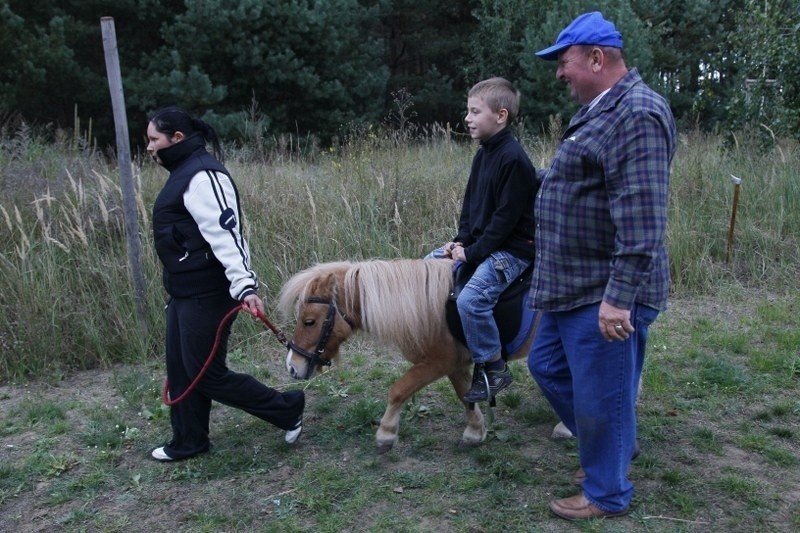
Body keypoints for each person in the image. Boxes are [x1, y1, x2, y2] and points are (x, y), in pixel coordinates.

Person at [527, 12, 677, 520]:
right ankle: (614, 445)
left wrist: (618, 299)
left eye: (564, 61)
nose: (559, 73)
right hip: (574, 285)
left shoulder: (636, 112)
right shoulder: (602, 111)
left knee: (601, 393)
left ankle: (607, 492)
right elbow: (584, 182)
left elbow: (642, 218)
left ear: (596, 58)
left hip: (605, 291)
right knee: (546, 365)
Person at [146, 106, 305, 462]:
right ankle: (189, 441)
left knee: (207, 375)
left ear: (177, 138)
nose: (150, 147)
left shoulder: (204, 176)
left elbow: (227, 235)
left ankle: (287, 409)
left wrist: (245, 286)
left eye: (154, 139)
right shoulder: (183, 173)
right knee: (182, 369)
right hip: (184, 294)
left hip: (209, 294)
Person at [426, 77, 538, 403]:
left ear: (500, 116)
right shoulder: (484, 154)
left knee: (470, 300)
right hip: (482, 244)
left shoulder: (514, 159)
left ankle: (493, 363)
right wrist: (457, 242)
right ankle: (445, 345)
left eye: (475, 111)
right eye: (468, 111)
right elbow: (470, 208)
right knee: (425, 267)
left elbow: (505, 222)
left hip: (512, 251)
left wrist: (471, 253)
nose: (467, 118)